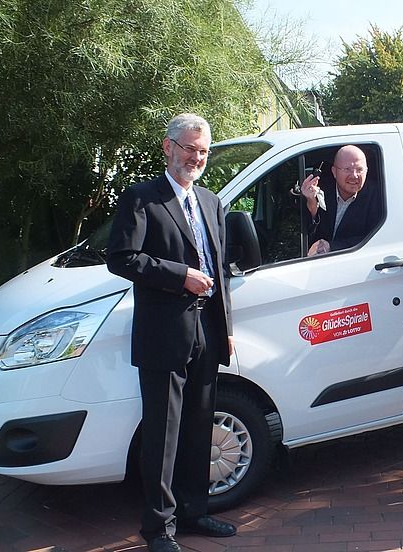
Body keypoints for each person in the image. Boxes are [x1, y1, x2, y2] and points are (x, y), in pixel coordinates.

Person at [107, 114, 237, 552]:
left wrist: (227, 329)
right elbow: (122, 258)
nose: (196, 158)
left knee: (200, 427)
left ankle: (195, 512)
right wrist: (179, 275)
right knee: (163, 434)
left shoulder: (211, 201)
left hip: (206, 328)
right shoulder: (142, 198)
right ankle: (158, 529)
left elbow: (220, 272)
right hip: (163, 331)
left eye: (202, 151)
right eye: (189, 148)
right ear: (168, 147)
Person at [300, 145, 382, 255]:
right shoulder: (320, 190)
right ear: (334, 172)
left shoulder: (378, 196)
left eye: (359, 170)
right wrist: (312, 205)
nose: (354, 176)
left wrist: (332, 247)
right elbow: (304, 232)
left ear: (366, 171)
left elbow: (377, 238)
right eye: (347, 169)